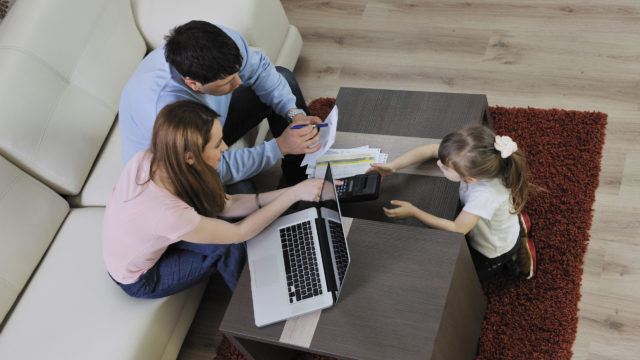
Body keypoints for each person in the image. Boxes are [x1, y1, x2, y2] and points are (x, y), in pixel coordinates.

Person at [103, 101, 324, 298]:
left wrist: (296, 190)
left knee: (226, 215)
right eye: (217, 144)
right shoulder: (166, 212)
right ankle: (254, 305)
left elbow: (227, 205)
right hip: (141, 277)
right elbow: (239, 233)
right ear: (189, 157)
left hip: (150, 234)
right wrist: (295, 194)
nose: (225, 147)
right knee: (227, 248)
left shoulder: (154, 158)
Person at [119, 20, 322, 187]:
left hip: (209, 125)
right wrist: (279, 147)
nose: (239, 82)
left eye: (237, 72)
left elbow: (260, 70)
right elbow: (213, 171)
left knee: (283, 78)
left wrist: (294, 114)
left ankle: (301, 176)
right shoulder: (167, 111)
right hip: (180, 166)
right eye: (227, 82)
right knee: (243, 192)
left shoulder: (223, 43)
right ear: (193, 84)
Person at [369, 125, 537, 280]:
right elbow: (429, 150)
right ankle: (516, 226)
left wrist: (414, 211)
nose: (438, 163)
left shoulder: (485, 196)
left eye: (444, 167)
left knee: (467, 275)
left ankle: (517, 253)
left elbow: (457, 229)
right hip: (495, 222)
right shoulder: (474, 161)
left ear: (470, 179)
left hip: (494, 249)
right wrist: (393, 166)